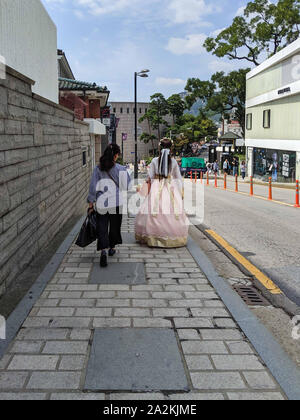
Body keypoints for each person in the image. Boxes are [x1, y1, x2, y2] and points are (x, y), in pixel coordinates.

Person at [135, 138, 189, 248]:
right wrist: (180, 192)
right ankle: (171, 235)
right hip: (170, 187)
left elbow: (149, 176)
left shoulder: (155, 160)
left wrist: (142, 186)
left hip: (156, 186)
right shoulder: (173, 162)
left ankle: (153, 235)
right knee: (171, 211)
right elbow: (178, 178)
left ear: (160, 148)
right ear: (171, 149)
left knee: (153, 210)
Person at [87, 144, 131, 268]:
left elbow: (92, 187)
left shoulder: (97, 169)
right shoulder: (121, 169)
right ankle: (112, 247)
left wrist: (91, 204)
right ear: (115, 155)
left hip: (101, 203)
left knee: (102, 226)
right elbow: (126, 186)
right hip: (116, 203)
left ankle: (103, 251)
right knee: (114, 226)